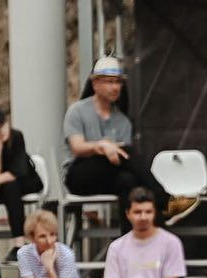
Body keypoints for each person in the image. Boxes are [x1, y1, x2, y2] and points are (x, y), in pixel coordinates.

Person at [63, 56, 197, 227]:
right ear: (95, 84)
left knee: (127, 180)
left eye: (118, 82)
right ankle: (164, 200)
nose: (115, 87)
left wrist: (113, 151)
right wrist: (101, 146)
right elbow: (77, 148)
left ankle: (133, 242)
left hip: (109, 175)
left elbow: (121, 161)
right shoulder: (77, 111)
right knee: (129, 152)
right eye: (109, 82)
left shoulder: (123, 121)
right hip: (79, 175)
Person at [86, 187, 185, 278]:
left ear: (154, 213)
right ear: (128, 214)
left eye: (148, 212)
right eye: (138, 212)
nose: (143, 217)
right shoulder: (117, 246)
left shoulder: (171, 242)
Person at [0, 107, 43, 252]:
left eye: (3, 125)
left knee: (10, 186)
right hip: (0, 186)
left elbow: (16, 172)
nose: (1, 131)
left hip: (25, 181)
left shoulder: (16, 136)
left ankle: (19, 243)